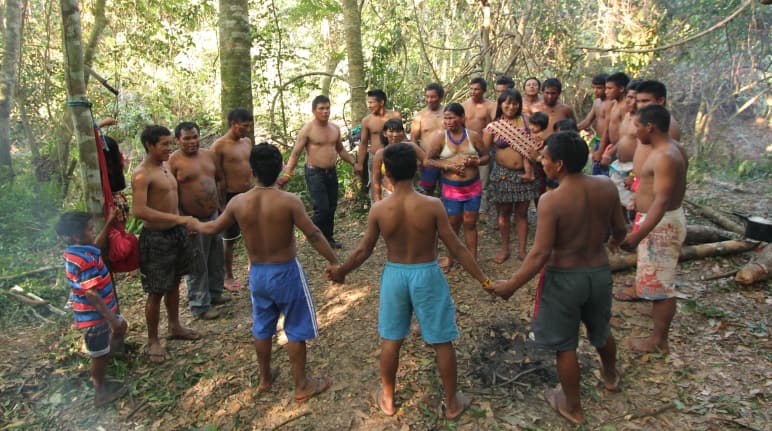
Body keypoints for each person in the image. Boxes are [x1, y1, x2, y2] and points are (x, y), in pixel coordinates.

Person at [326, 142, 491, 419]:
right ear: (416, 168)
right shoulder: (432, 205)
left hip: (395, 275)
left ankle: (388, 399)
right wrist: (485, 282)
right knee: (441, 341)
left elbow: (363, 250)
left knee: (391, 339)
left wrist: (342, 271)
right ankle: (452, 403)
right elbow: (457, 247)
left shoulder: (379, 209)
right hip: (427, 273)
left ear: (386, 173)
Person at [491, 131, 627, 425]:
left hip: (564, 278)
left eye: (545, 157)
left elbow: (540, 254)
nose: (541, 161)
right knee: (601, 329)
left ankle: (572, 406)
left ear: (560, 164)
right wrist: (614, 243)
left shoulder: (551, 200)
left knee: (565, 345)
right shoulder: (606, 186)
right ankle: (610, 375)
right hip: (599, 273)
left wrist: (511, 285)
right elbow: (620, 228)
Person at [191, 143, 338, 402]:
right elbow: (313, 234)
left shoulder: (239, 202)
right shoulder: (289, 201)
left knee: (262, 326)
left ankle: (265, 379)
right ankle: (301, 385)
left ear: (252, 170)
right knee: (295, 327)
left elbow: (213, 228)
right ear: (280, 168)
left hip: (257, 274)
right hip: (286, 272)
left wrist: (189, 222)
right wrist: (334, 262)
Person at [620, 105, 687, 354]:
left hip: (661, 224)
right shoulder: (668, 150)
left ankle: (659, 340)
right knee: (658, 283)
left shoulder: (666, 155)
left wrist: (638, 234)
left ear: (650, 126)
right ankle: (658, 337)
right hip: (657, 221)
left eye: (637, 126)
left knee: (662, 286)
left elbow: (662, 200)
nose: (635, 132)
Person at [131, 125, 199, 364]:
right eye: (164, 144)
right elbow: (139, 211)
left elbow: (172, 200)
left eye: (170, 144)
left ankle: (175, 326)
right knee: (156, 291)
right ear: (150, 145)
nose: (169, 149)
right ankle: (153, 341)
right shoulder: (142, 174)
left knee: (174, 283)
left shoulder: (166, 167)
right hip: (156, 239)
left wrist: (182, 224)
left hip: (177, 234)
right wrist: (179, 219)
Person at [56, 209, 129, 407]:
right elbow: (91, 293)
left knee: (115, 336)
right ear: (76, 236)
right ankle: (100, 393)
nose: (93, 231)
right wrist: (111, 319)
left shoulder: (77, 252)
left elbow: (96, 244)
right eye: (90, 229)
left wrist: (109, 222)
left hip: (98, 315)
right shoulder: (85, 260)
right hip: (96, 319)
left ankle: (108, 368)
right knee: (99, 355)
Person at [277, 95, 356, 248]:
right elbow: (295, 153)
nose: (325, 111)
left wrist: (354, 163)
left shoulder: (334, 128)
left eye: (327, 108)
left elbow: (340, 149)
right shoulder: (308, 129)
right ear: (314, 111)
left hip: (331, 172)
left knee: (332, 207)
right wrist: (287, 173)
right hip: (314, 173)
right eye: (321, 108)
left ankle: (328, 238)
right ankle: (314, 236)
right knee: (322, 208)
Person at [168, 121, 228, 321]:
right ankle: (199, 304)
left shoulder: (209, 155)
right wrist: (183, 220)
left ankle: (215, 292)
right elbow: (171, 193)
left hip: (214, 216)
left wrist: (221, 206)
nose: (192, 141)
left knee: (215, 256)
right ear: (178, 140)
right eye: (187, 138)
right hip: (192, 220)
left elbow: (220, 179)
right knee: (196, 263)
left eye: (195, 137)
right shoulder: (173, 162)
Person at [425, 103, 489, 272]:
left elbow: (486, 156)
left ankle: (472, 260)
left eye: (452, 117)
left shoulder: (473, 136)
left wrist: (475, 161)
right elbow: (429, 160)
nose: (448, 121)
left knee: (470, 223)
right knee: (452, 224)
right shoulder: (440, 138)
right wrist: (448, 166)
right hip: (451, 188)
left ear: (462, 118)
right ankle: (450, 258)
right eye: (446, 118)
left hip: (472, 187)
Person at [483, 89, 540, 263]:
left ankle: (522, 251)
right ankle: (505, 249)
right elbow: (485, 152)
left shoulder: (526, 121)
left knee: (522, 213)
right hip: (502, 174)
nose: (511, 106)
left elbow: (536, 145)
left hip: (524, 173)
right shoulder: (493, 127)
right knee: (504, 214)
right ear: (500, 104)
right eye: (507, 102)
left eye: (515, 103)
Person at [212, 108, 254, 290]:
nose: (247, 130)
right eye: (244, 126)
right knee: (229, 239)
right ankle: (227, 275)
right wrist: (221, 205)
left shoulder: (247, 142)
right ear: (234, 124)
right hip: (229, 196)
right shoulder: (219, 146)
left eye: (249, 126)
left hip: (249, 194)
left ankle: (254, 270)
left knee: (252, 234)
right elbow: (216, 176)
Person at [356, 89, 402, 191]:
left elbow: (402, 136)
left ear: (381, 102)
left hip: (394, 157)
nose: (369, 105)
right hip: (374, 157)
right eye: (368, 103)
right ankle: (376, 206)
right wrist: (359, 164)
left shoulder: (395, 116)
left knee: (396, 186)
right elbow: (363, 143)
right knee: (375, 187)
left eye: (371, 102)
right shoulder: (367, 121)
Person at [462, 78, 496, 217]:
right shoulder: (463, 105)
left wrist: (487, 148)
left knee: (483, 180)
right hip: (466, 147)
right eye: (471, 89)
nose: (473, 92)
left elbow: (495, 126)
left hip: (484, 148)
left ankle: (482, 210)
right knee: (465, 177)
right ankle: (465, 206)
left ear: (484, 90)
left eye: (476, 89)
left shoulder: (491, 106)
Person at [609, 80, 641, 222]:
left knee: (635, 207)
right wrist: (609, 152)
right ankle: (622, 234)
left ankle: (635, 235)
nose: (631, 101)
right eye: (629, 97)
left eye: (635, 98)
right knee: (617, 203)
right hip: (619, 166)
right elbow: (623, 139)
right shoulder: (627, 116)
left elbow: (645, 150)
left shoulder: (643, 121)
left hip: (634, 169)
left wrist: (634, 174)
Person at [373, 118, 426, 201]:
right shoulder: (380, 154)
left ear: (403, 132)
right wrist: (378, 200)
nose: (395, 134)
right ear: (385, 133)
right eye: (391, 131)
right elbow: (376, 179)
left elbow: (426, 161)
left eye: (398, 131)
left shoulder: (411, 147)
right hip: (388, 194)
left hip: (412, 193)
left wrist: (418, 166)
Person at [410, 83, 445, 195]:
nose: (429, 100)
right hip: (428, 159)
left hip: (448, 158)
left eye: (433, 97)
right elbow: (413, 140)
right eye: (427, 96)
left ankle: (446, 212)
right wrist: (416, 159)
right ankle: (428, 212)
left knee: (448, 190)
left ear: (440, 97)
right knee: (427, 190)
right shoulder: (419, 116)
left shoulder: (449, 113)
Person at [594, 72, 630, 176]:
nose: (606, 92)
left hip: (620, 150)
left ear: (621, 89)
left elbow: (626, 135)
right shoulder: (614, 104)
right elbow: (606, 129)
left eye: (610, 88)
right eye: (606, 88)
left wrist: (610, 153)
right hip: (610, 148)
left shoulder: (625, 107)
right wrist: (600, 150)